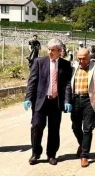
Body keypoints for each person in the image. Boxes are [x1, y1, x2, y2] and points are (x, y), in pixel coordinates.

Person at [24, 38, 73, 166]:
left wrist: (67, 100)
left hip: (55, 102)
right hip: (41, 101)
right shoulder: (39, 62)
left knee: (54, 129)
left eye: (53, 50)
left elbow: (67, 84)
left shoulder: (66, 65)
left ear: (60, 51)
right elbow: (32, 81)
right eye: (49, 49)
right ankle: (35, 153)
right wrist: (28, 98)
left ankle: (51, 154)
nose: (50, 52)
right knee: (36, 126)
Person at [70, 47, 95, 168]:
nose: (80, 61)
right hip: (75, 100)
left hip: (89, 101)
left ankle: (84, 155)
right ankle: (82, 143)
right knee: (75, 126)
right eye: (79, 58)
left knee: (87, 129)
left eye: (83, 59)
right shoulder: (74, 67)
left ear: (89, 57)